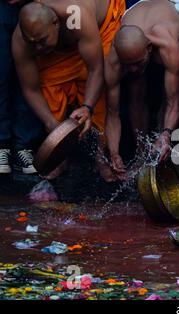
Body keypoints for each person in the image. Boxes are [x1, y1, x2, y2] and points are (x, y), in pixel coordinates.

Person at [12, 0, 126, 180]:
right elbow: (30, 89)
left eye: (42, 41)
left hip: (99, 30)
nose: (38, 48)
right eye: (32, 43)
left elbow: (96, 69)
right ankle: (60, 157)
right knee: (48, 87)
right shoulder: (21, 40)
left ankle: (100, 156)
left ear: (56, 23)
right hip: (62, 49)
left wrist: (87, 107)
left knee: (103, 84)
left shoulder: (77, 15)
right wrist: (52, 125)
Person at [104, 0, 179, 180]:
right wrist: (114, 152)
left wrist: (166, 135)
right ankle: (141, 155)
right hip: (140, 10)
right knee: (136, 85)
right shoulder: (114, 59)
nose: (132, 69)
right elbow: (112, 112)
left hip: (176, 12)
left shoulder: (167, 45)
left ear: (149, 48)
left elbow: (174, 103)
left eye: (137, 63)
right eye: (128, 65)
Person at [0, 0, 42, 175]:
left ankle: (24, 145)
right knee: (1, 74)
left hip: (31, 6)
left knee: (28, 76)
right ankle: (2, 146)